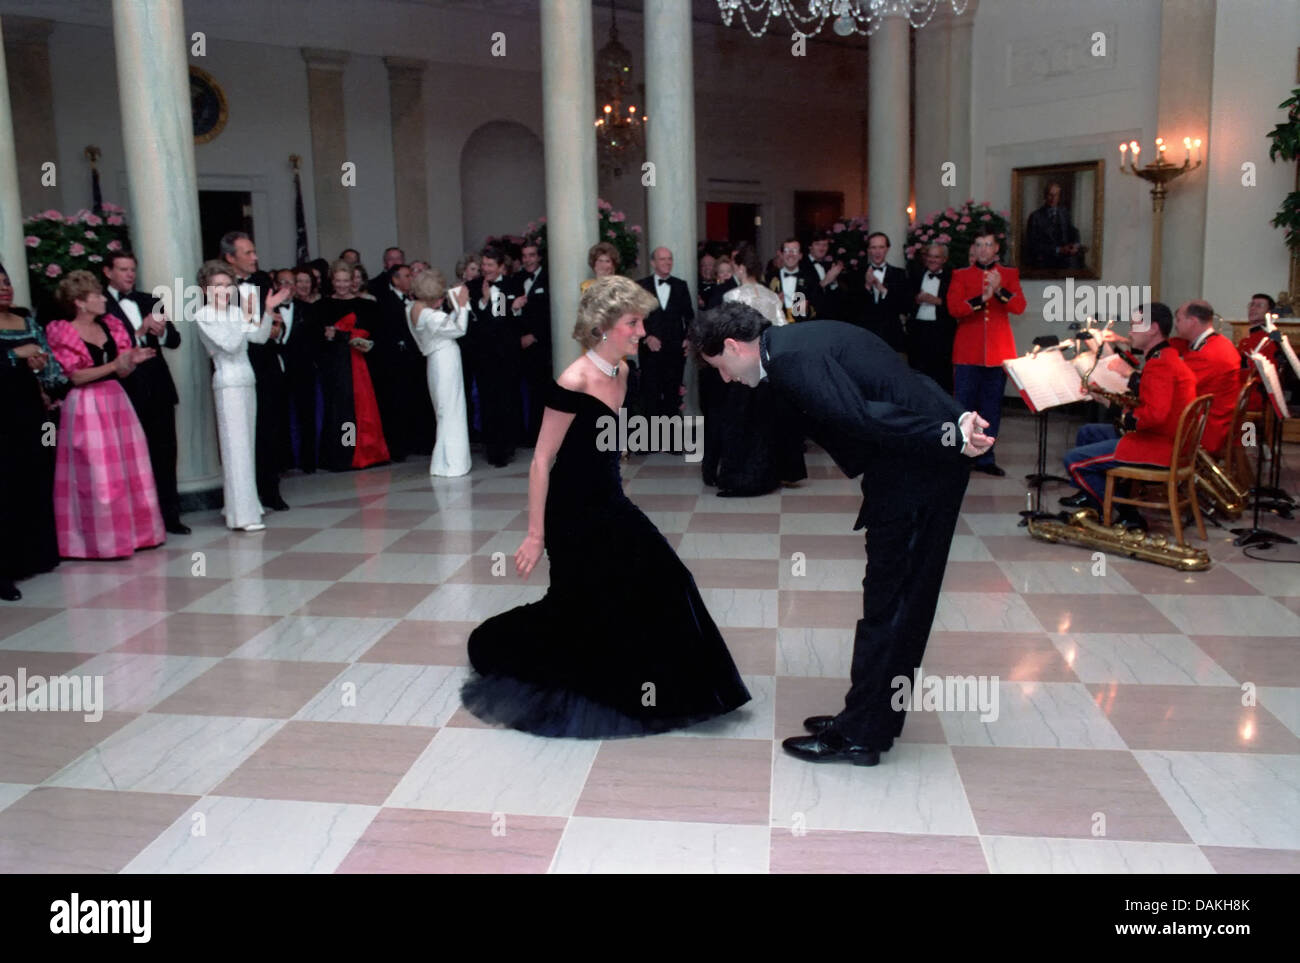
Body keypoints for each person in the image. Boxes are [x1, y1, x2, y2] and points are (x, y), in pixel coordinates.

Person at [690, 305, 993, 766]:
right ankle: (869, 718)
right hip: (914, 462)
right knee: (896, 603)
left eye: (721, 368)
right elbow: (904, 380)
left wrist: (948, 431)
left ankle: (860, 735)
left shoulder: (792, 361)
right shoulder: (798, 340)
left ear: (733, 347)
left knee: (893, 606)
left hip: (917, 471)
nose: (727, 379)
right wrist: (954, 421)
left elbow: (862, 415)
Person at [462, 276, 751, 737]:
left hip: (609, 502)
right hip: (571, 514)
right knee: (584, 602)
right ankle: (512, 648)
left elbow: (607, 448)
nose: (641, 332)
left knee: (667, 579)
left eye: (641, 322)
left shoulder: (624, 373)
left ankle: (681, 687)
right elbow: (541, 459)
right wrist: (535, 535)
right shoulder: (574, 380)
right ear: (603, 327)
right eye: (632, 323)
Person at [44, 271, 164, 559]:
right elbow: (76, 376)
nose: (102, 299)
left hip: (115, 399)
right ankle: (100, 542)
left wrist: (130, 361)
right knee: (96, 473)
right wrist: (114, 366)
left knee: (128, 468)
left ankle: (136, 535)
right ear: (80, 303)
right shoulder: (63, 330)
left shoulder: (110, 325)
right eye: (96, 296)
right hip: (85, 405)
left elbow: (121, 369)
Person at [1060, 303, 1198, 530]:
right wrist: (1104, 399)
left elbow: (1153, 416)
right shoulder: (1166, 355)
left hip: (1159, 445)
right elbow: (1150, 404)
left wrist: (1122, 417)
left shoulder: (1160, 364)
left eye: (1135, 326)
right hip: (1166, 439)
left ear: (1153, 328)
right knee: (1088, 432)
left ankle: (1127, 513)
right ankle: (1095, 501)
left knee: (1074, 461)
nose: (1131, 331)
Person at [194, 261, 291, 531]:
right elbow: (230, 344)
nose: (224, 291)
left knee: (246, 446)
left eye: (228, 286)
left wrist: (268, 310)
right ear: (205, 289)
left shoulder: (236, 312)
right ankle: (243, 515)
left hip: (248, 380)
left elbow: (259, 338)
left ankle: (244, 505)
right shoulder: (204, 315)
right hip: (227, 383)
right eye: (218, 286)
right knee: (235, 448)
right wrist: (246, 317)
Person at [705, 241, 806, 495]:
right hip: (767, 369)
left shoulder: (732, 296)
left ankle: (743, 477)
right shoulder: (771, 296)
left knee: (741, 424)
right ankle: (770, 474)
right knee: (765, 424)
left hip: (741, 369)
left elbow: (725, 335)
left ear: (740, 268)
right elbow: (781, 329)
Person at [100, 251, 188, 534]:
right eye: (123, 269)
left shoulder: (150, 300)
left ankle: (170, 516)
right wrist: (139, 331)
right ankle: (138, 520)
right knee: (130, 458)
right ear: (107, 272)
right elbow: (105, 351)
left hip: (159, 389)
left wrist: (160, 332)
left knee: (165, 453)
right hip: (124, 391)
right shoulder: (99, 306)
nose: (129, 275)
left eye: (132, 269)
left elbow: (174, 340)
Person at [0, 264, 67, 600]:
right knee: (5, 486)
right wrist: (13, 355)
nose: (5, 288)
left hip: (34, 413)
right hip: (2, 417)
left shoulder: (27, 321)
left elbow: (50, 363)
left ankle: (36, 555)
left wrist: (41, 366)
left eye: (7, 282)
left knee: (36, 476)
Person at [220, 231, 290, 511]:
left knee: (269, 425)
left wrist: (276, 328)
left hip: (266, 362)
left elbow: (277, 320)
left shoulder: (262, 281)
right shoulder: (219, 287)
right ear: (229, 257)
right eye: (248, 253)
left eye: (254, 251)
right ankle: (243, 495)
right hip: (237, 361)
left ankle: (270, 489)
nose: (255, 257)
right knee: (240, 430)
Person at [947, 230, 1025, 476]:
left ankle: (986, 457)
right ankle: (961, 455)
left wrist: (1000, 290)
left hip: (998, 353)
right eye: (978, 244)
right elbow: (954, 308)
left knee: (991, 408)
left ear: (996, 249)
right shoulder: (961, 275)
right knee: (963, 407)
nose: (982, 249)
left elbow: (1019, 307)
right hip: (968, 352)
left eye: (988, 244)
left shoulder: (1009, 274)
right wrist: (982, 298)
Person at [315, 260, 390, 471]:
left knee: (362, 409)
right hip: (335, 368)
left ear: (353, 281)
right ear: (332, 281)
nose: (341, 285)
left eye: (345, 280)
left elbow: (378, 336)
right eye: (338, 281)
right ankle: (345, 453)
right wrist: (331, 337)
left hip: (362, 366)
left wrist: (356, 339)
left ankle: (362, 451)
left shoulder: (367, 306)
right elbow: (316, 341)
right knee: (342, 412)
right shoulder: (322, 306)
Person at [407, 268, 472, 476]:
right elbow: (459, 329)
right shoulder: (431, 316)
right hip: (445, 361)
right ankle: (453, 464)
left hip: (435, 361)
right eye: (439, 296)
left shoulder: (411, 308)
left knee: (444, 411)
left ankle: (442, 463)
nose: (442, 299)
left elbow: (446, 325)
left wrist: (456, 309)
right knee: (452, 411)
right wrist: (463, 305)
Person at [466, 246, 523, 467]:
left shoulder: (512, 284)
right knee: (488, 401)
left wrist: (495, 303)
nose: (485, 268)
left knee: (506, 400)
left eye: (490, 265)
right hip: (483, 355)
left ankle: (506, 448)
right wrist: (484, 301)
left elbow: (500, 320)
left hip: (506, 355)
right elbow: (473, 320)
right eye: (484, 265)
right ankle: (492, 448)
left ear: (501, 267)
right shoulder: (472, 287)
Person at [1171, 300, 1240, 459]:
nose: (1176, 324)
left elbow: (1176, 387)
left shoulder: (1208, 354)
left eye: (1179, 319)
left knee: (1146, 423)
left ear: (1193, 321)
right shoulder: (1218, 343)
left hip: (1210, 430)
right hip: (1220, 421)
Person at [637, 246, 694, 422]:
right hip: (649, 351)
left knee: (672, 395)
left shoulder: (681, 285)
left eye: (670, 258)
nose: (667, 262)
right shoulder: (641, 286)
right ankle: (648, 442)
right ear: (653, 263)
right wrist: (646, 337)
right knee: (650, 395)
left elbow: (690, 316)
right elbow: (634, 317)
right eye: (662, 259)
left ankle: (673, 443)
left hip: (675, 350)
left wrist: (689, 339)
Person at [507, 242, 551, 446]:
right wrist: (513, 308)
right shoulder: (512, 280)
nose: (528, 259)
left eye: (532, 255)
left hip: (540, 345)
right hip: (514, 346)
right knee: (515, 392)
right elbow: (499, 317)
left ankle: (540, 435)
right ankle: (519, 436)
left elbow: (554, 312)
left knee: (541, 391)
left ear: (539, 257)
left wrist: (533, 336)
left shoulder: (550, 278)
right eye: (524, 256)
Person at [906, 243, 956, 393]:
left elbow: (957, 306)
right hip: (918, 331)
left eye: (936, 257)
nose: (932, 260)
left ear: (944, 259)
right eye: (929, 256)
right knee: (917, 372)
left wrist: (938, 301)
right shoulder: (915, 274)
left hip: (941, 332)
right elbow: (903, 300)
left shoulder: (952, 278)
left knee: (941, 373)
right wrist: (916, 299)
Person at [858, 232, 909, 350]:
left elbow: (904, 305)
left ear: (887, 249)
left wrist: (882, 289)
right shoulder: (857, 273)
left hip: (891, 333)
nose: (877, 252)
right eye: (873, 247)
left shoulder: (900, 274)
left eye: (881, 247)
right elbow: (853, 306)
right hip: (864, 333)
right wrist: (867, 286)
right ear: (868, 250)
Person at [1024, 181, 1083, 270]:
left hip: (1065, 259)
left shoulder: (1064, 213)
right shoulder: (1035, 216)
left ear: (1059, 197)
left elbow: (1074, 231)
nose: (1053, 198)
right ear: (1045, 196)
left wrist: (1076, 245)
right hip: (1045, 259)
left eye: (1056, 195)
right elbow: (1033, 244)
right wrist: (1058, 250)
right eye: (1050, 195)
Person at [767, 237, 820, 322]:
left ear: (800, 256)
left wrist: (806, 309)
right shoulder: (770, 277)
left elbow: (818, 305)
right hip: (778, 327)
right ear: (781, 254)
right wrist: (774, 305)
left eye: (795, 251)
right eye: (787, 251)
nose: (790, 255)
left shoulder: (810, 278)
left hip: (802, 328)